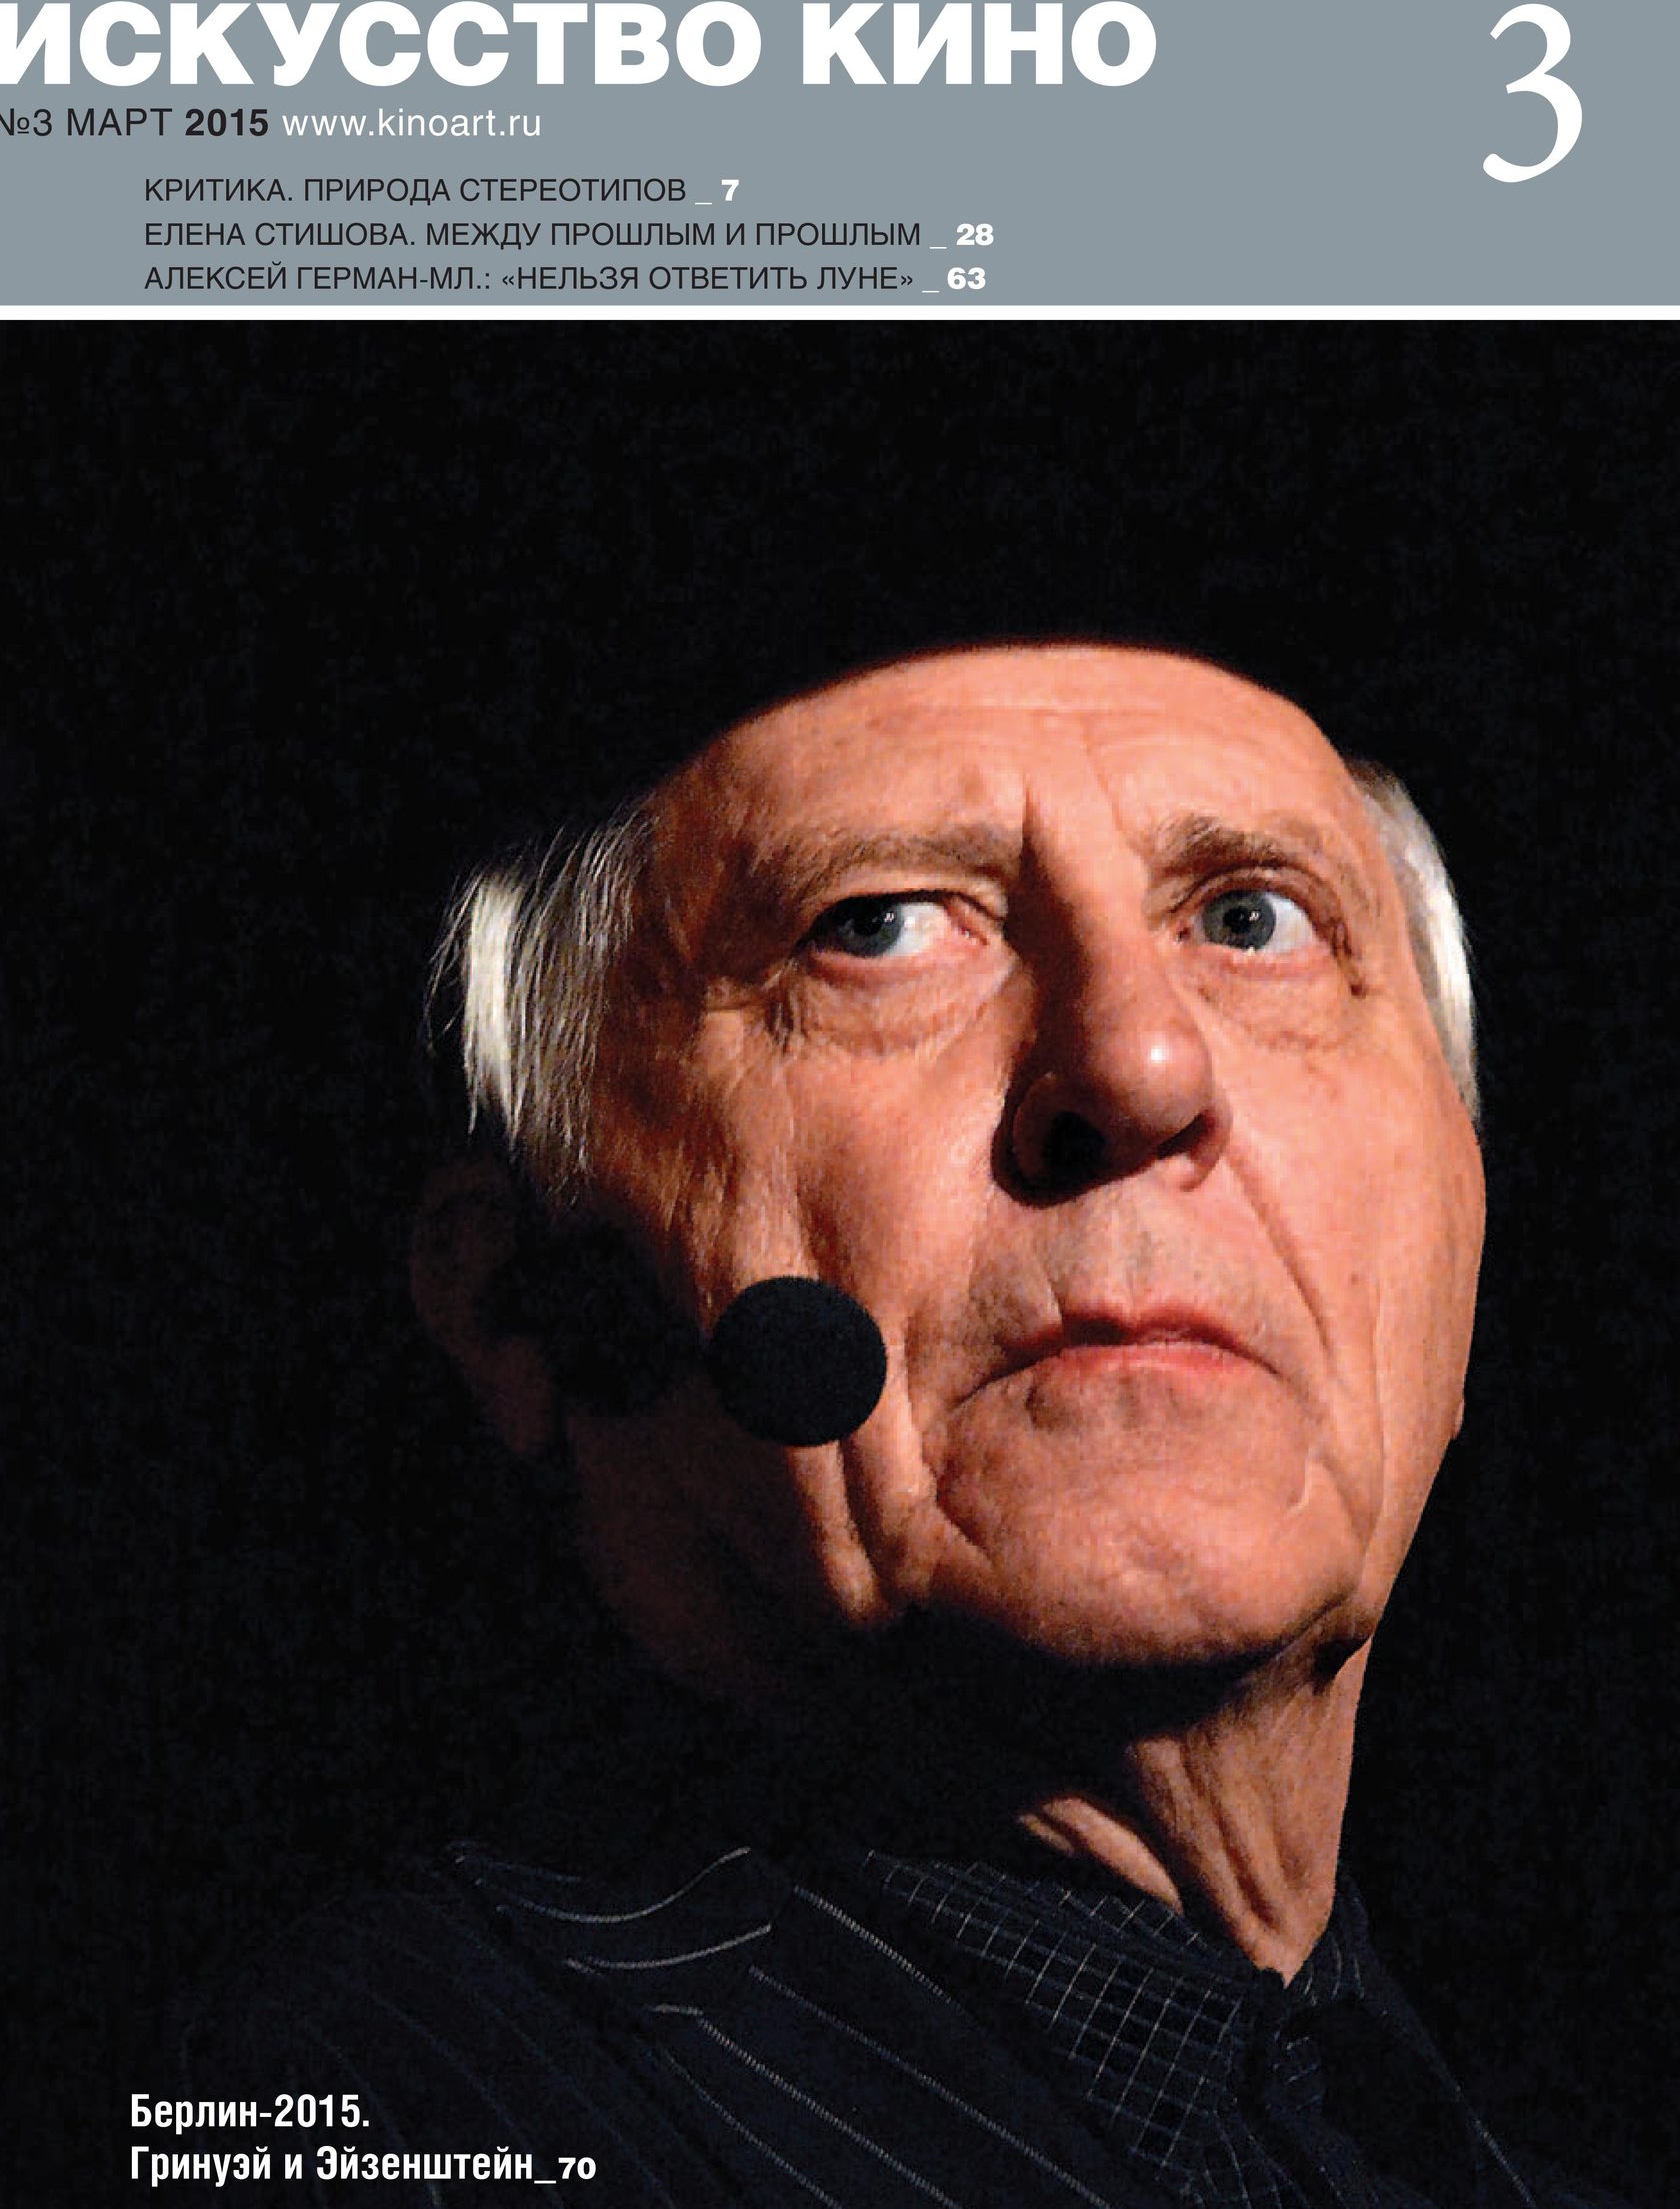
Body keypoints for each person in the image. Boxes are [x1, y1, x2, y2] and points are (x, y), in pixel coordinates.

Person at [179, 643, 1621, 2207]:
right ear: (515, 1311)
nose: (1142, 1067)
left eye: (1251, 921)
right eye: (878, 925)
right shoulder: (347, 2124)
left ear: (1467, 1233)